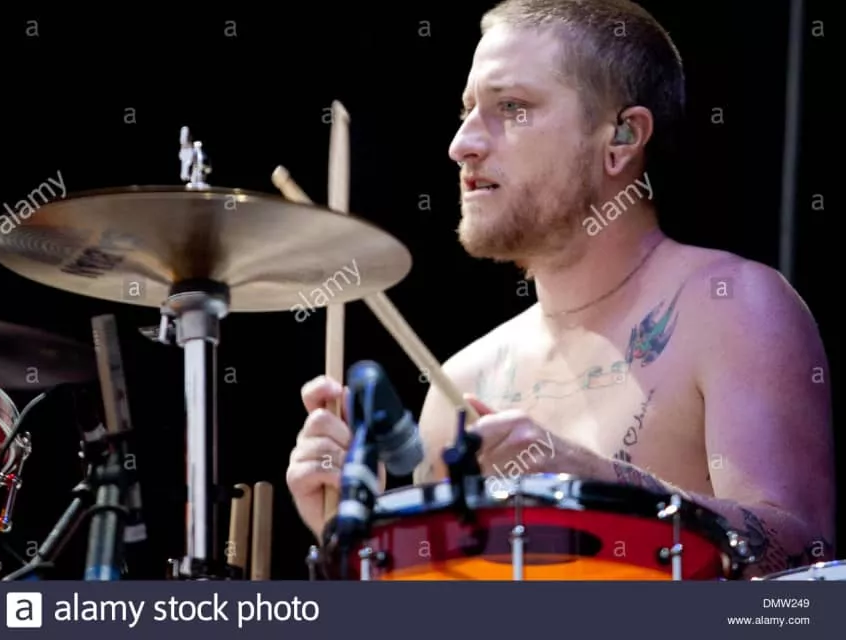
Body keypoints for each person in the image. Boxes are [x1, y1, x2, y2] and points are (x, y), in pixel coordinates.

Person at [286, 0, 836, 579]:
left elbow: (808, 566)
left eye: (511, 108)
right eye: (467, 110)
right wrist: (354, 544)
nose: (461, 144)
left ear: (621, 137)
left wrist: (594, 487)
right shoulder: (460, 384)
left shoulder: (731, 306)